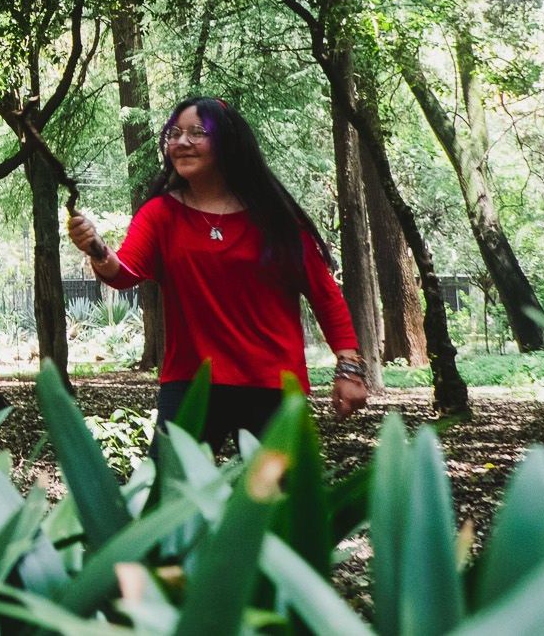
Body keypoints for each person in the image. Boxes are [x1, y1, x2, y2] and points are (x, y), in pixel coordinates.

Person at [67, 96, 369, 450]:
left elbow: (324, 294)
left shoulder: (275, 218)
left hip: (272, 385)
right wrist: (98, 248)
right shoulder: (160, 214)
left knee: (281, 502)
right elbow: (125, 273)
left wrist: (349, 369)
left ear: (228, 143)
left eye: (197, 132)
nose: (181, 142)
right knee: (171, 496)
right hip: (190, 385)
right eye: (175, 133)